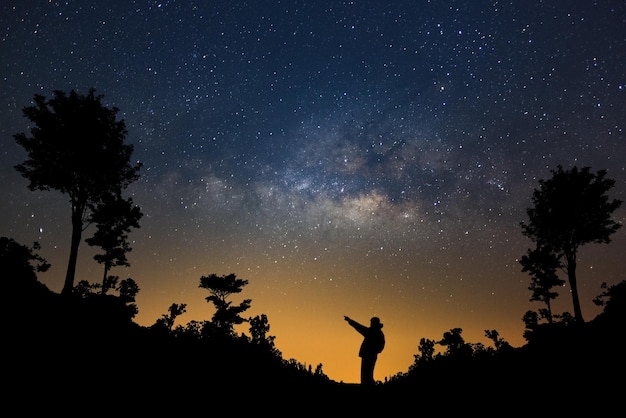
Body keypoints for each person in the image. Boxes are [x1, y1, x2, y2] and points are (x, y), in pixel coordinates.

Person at [344, 315, 385, 386]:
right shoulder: (378, 333)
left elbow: (359, 327)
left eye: (371, 322)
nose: (370, 324)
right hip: (371, 354)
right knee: (368, 371)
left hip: (369, 354)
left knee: (366, 371)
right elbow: (382, 344)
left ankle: (367, 386)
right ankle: (368, 384)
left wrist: (350, 321)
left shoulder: (373, 332)